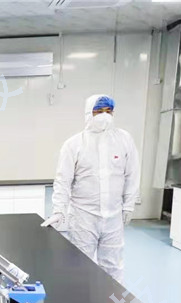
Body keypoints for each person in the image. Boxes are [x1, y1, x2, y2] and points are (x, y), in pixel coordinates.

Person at [43, 94, 140, 282]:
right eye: (99, 111)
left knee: (113, 266)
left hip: (114, 216)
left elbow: (132, 174)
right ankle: (82, 299)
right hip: (83, 216)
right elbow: (63, 181)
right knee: (81, 264)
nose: (104, 116)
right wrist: (59, 210)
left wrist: (129, 205)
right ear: (89, 113)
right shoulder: (74, 144)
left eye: (108, 111)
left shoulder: (123, 140)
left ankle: (110, 300)